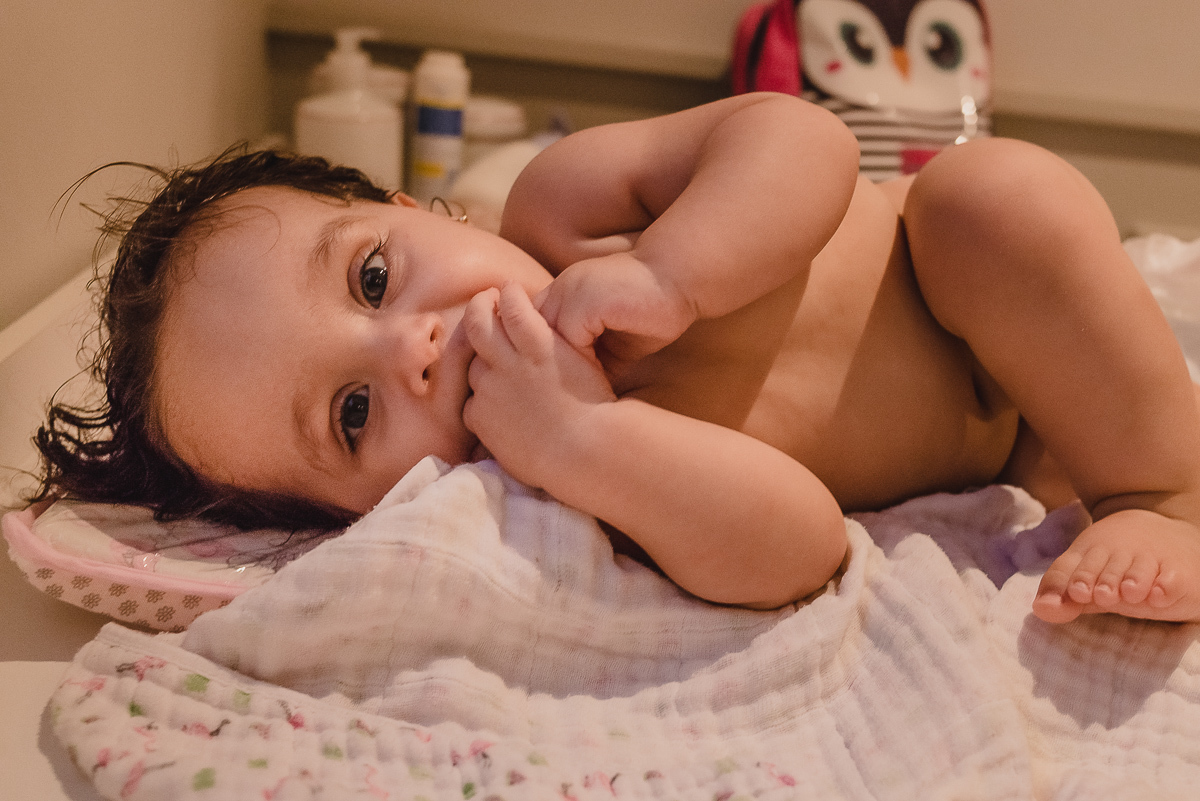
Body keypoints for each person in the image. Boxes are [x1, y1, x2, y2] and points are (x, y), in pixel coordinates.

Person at [33, 92, 1200, 623]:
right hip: (1021, 445)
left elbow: (800, 140)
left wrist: (671, 275)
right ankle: (1111, 477)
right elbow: (799, 549)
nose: (414, 348)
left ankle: (1165, 490)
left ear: (417, 206)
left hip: (992, 297)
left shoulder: (565, 210)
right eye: (351, 414)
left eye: (375, 277)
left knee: (998, 198)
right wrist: (588, 441)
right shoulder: (557, 495)